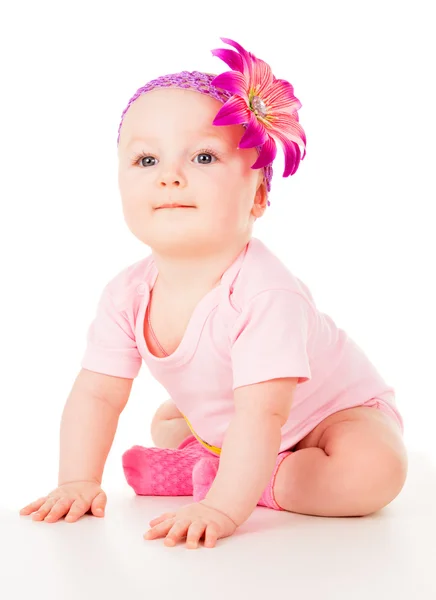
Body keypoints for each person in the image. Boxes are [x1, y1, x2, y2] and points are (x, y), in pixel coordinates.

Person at [19, 37, 408, 550]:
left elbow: (264, 413)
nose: (171, 177)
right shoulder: (126, 293)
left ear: (260, 195)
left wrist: (222, 506)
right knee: (166, 420)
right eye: (146, 160)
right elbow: (97, 393)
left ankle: (239, 479)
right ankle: (215, 462)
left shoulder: (265, 293)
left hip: (328, 421)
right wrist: (78, 480)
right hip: (237, 425)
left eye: (203, 156)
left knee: (374, 473)